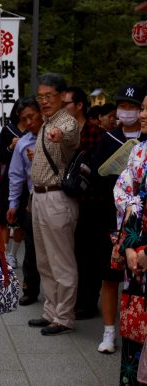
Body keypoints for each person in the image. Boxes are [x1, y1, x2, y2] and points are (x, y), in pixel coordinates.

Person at [92, 84, 146, 353]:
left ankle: (135, 331)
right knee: (110, 276)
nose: (128, 112)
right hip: (113, 220)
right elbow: (98, 179)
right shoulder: (108, 139)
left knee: (137, 278)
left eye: (134, 107)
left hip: (141, 223)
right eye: (122, 106)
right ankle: (109, 331)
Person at [28, 73, 80, 335]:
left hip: (56, 198)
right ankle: (51, 311)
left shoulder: (65, 122)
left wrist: (60, 134)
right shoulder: (46, 122)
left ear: (62, 97)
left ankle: (64, 316)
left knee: (61, 261)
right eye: (41, 97)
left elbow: (69, 135)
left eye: (49, 96)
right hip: (39, 197)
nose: (44, 101)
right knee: (45, 261)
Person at [110, 96, 147, 386]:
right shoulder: (140, 149)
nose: (143, 115)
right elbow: (123, 187)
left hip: (145, 242)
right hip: (137, 238)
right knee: (136, 320)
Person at [64, 86, 103, 319]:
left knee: (89, 254)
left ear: (79, 105)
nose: (63, 107)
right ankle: (78, 300)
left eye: (66, 103)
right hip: (70, 198)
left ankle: (88, 302)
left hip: (91, 201)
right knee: (75, 252)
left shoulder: (93, 131)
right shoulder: (65, 130)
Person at [7, 96, 43, 305]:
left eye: (31, 116)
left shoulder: (55, 136)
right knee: (31, 246)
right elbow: (16, 175)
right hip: (32, 198)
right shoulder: (22, 143)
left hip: (57, 197)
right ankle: (30, 287)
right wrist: (12, 204)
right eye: (24, 119)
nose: (29, 122)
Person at [0, 98, 28, 269]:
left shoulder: (34, 131)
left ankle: (13, 255)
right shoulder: (8, 130)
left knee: (21, 220)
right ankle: (3, 253)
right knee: (3, 218)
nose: (25, 117)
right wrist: (10, 147)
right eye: (21, 112)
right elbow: (0, 155)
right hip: (10, 179)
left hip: (27, 181)